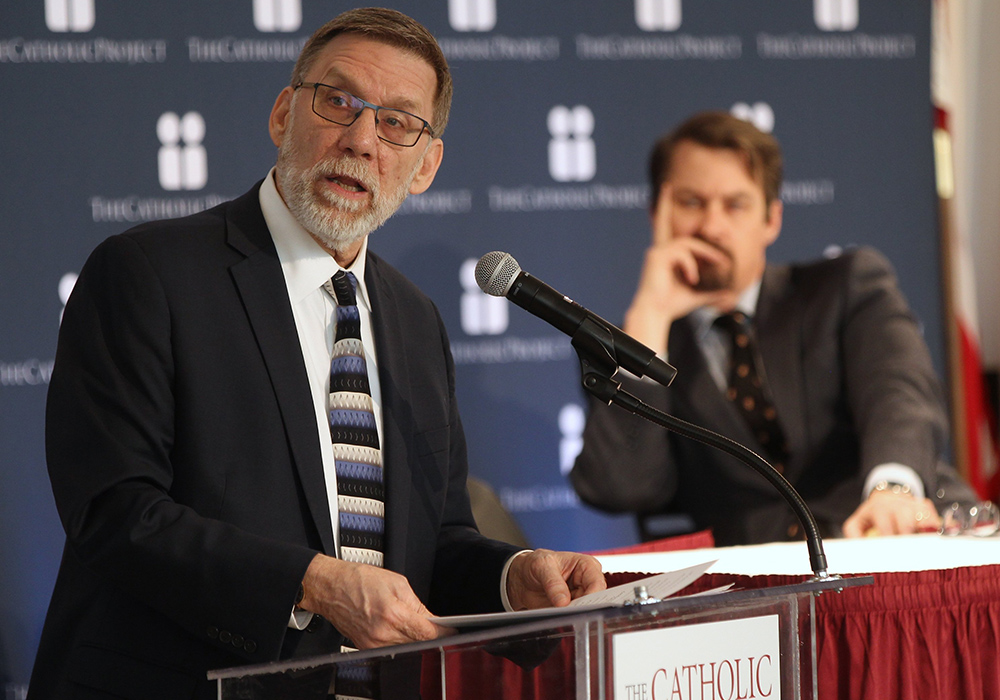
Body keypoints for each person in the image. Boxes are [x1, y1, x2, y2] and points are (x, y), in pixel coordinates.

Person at [29, 8, 604, 698]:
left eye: (397, 122)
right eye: (338, 102)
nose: (361, 139)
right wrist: (315, 584)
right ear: (282, 116)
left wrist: (513, 579)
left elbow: (435, 542)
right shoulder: (149, 273)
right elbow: (114, 512)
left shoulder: (415, 320)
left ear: (424, 166)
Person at [570, 111, 975, 546]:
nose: (711, 226)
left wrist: (891, 489)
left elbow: (899, 394)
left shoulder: (846, 287)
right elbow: (621, 488)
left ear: (771, 219)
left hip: (897, 536)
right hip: (758, 590)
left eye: (735, 204)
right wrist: (649, 316)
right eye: (691, 202)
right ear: (657, 214)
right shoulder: (628, 341)